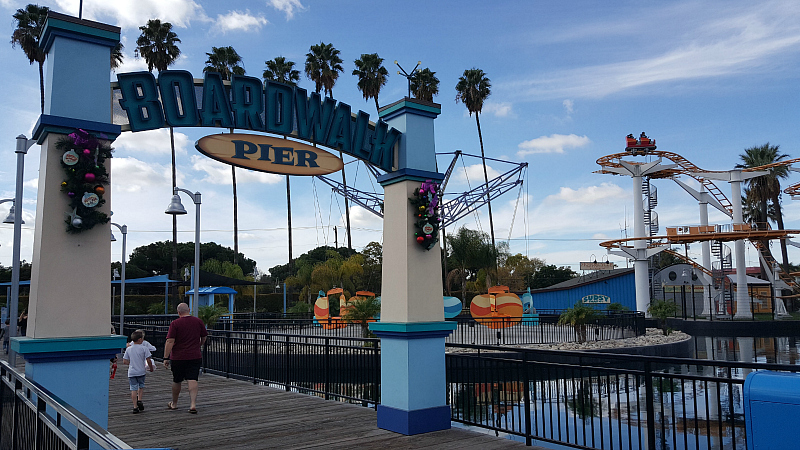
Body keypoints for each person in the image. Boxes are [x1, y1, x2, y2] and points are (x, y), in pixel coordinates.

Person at [163, 303, 207, 414]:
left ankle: (174, 403)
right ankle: (193, 404)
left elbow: (170, 341)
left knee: (177, 380)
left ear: (178, 312)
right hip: (195, 355)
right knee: (192, 379)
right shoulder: (198, 321)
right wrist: (199, 345)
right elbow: (204, 336)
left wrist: (165, 357)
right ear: (189, 310)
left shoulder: (175, 324)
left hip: (178, 356)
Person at [123, 330, 154, 414]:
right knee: (141, 386)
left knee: (133, 389)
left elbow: (125, 361)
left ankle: (135, 406)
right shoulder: (144, 349)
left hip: (132, 372)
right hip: (141, 371)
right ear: (140, 339)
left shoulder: (129, 349)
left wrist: (131, 363)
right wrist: (151, 368)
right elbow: (149, 360)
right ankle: (139, 399)